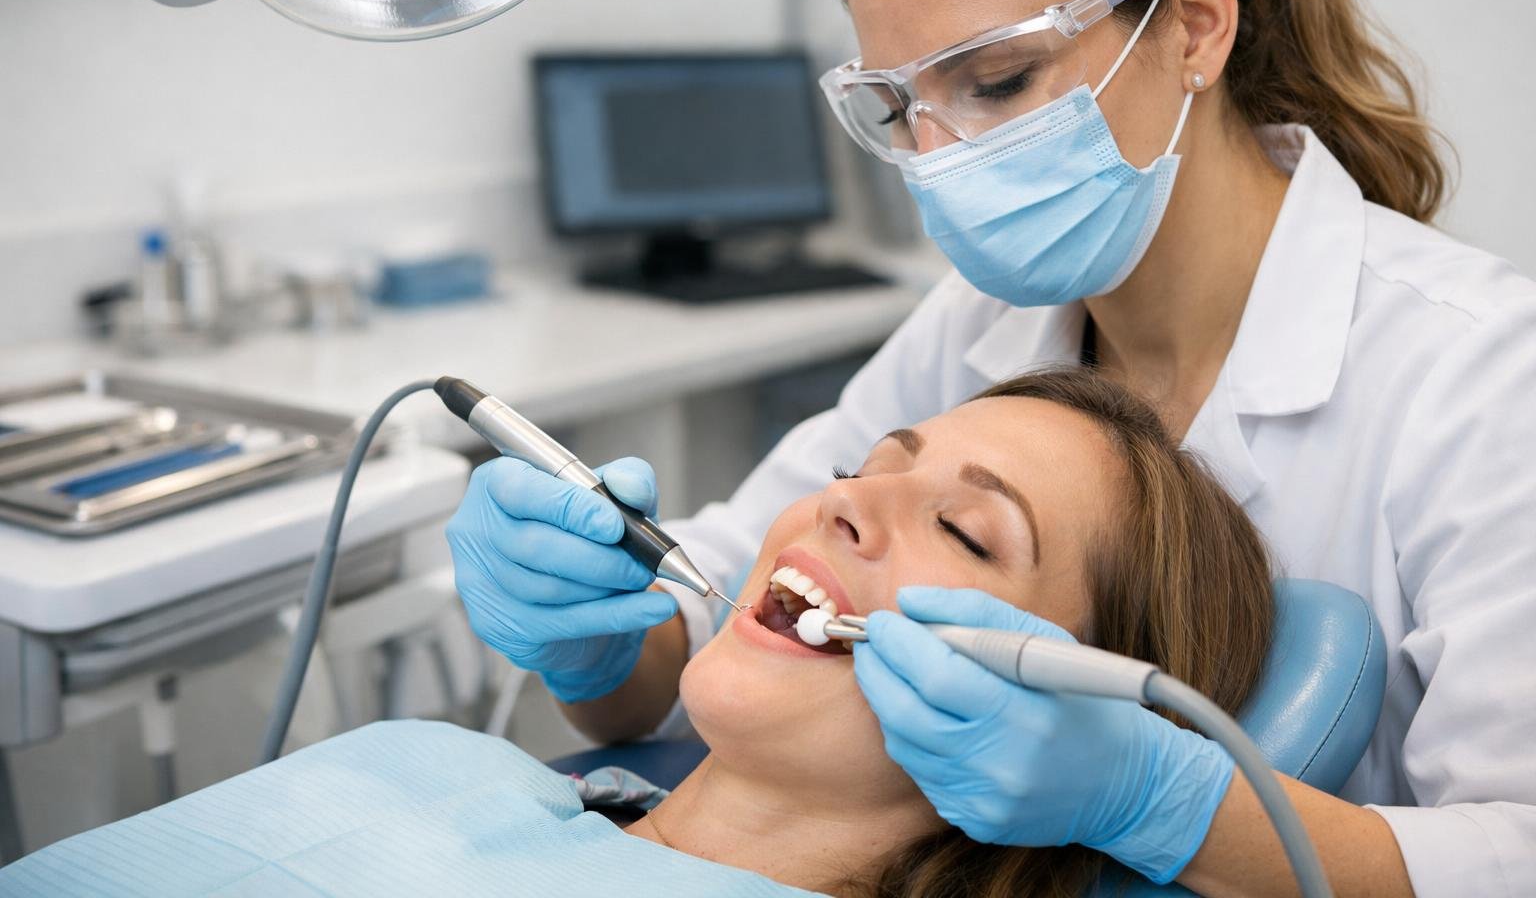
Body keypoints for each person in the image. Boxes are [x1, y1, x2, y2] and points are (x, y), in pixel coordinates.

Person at [447, 0, 1536, 895]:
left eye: (996, 81)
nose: (941, 154)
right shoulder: (982, 323)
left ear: (1196, 24)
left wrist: (1162, 799)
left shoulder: (1482, 374)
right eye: (897, 107)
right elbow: (708, 617)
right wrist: (592, 641)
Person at [0, 370, 1275, 897]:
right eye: (870, 463)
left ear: (1060, 711)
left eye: (967, 531)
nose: (845, 501)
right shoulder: (444, 762)